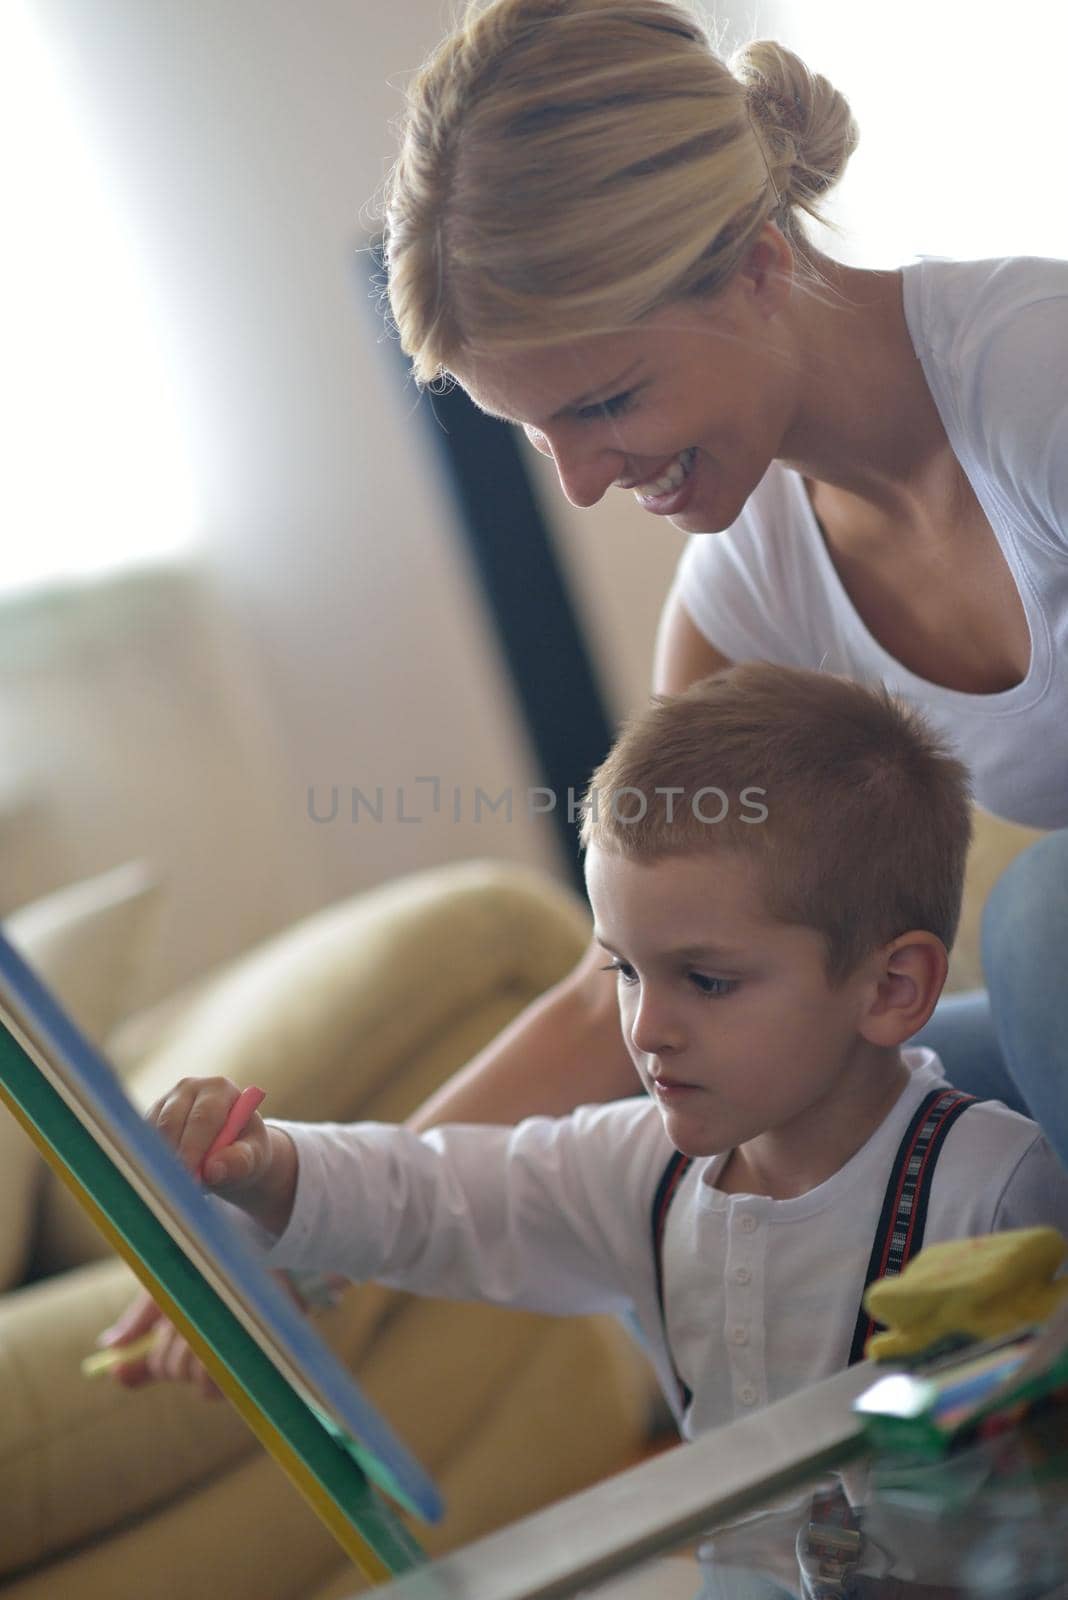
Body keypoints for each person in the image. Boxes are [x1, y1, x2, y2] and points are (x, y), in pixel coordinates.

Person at [381, 0, 1068, 1160]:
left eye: (606, 403)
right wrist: (303, 1224)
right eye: (544, 434)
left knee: (1044, 925)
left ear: (757, 270)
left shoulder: (1033, 375)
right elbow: (634, 984)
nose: (587, 482)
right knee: (696, 1137)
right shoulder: (750, 590)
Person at [126, 666, 1068, 1433]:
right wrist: (263, 1165)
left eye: (706, 980)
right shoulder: (635, 1168)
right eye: (622, 969)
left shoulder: (1001, 1185)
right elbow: (432, 1194)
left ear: (891, 988)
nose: (645, 1028)